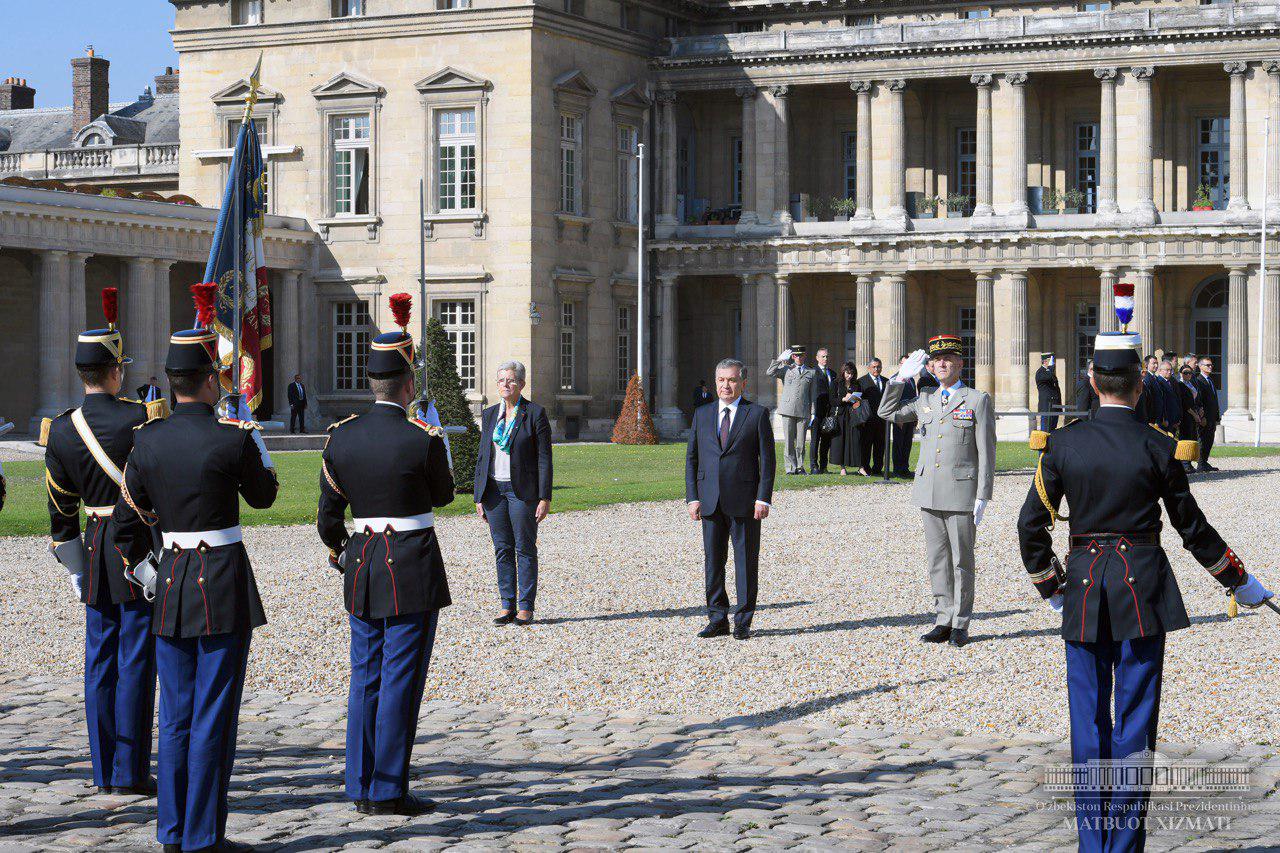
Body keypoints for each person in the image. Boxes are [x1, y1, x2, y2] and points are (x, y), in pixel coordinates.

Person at [1016, 328, 1274, 853]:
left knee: (1088, 729)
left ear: (1092, 381)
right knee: (1135, 728)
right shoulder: (1158, 444)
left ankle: (1094, 847)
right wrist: (1239, 581)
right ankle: (1124, 847)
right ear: (1138, 386)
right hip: (1142, 590)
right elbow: (1192, 529)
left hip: (1085, 589)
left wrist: (1052, 587)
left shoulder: (1062, 444)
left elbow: (1030, 526)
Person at [114, 318, 279, 853]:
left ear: (170, 382)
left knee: (177, 714)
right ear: (210, 380)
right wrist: (255, 439)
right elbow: (264, 498)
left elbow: (125, 526)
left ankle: (173, 831)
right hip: (222, 579)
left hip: (172, 577)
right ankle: (204, 835)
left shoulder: (147, 440)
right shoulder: (232, 437)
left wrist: (150, 577)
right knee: (213, 712)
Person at [317, 296, 456, 817]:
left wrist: (339, 552)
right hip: (411, 559)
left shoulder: (341, 437)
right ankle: (388, 787)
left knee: (366, 675)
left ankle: (359, 781)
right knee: (400, 677)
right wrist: (433, 433)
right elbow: (443, 494)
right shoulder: (420, 436)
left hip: (362, 559)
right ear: (409, 383)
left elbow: (328, 515)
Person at [44, 288, 157, 796]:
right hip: (135, 545)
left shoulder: (62, 430)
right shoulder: (141, 419)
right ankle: (131, 771)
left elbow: (60, 511)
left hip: (93, 545)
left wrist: (72, 565)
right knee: (136, 657)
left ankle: (103, 769)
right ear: (114, 371)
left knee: (99, 660)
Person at [880, 335, 996, 648]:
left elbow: (986, 450)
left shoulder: (976, 399)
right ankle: (943, 617)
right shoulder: (926, 398)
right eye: (937, 360)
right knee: (937, 560)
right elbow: (887, 413)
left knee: (961, 560)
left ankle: (961, 622)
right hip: (928, 491)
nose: (942, 364)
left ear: (960, 363)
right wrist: (900, 378)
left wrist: (983, 493)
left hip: (961, 491)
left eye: (948, 358)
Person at [686, 358, 775, 640]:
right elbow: (692, 458)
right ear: (716, 382)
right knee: (713, 561)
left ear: (743, 383)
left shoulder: (757, 414)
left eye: (732, 380)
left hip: (745, 500)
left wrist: (763, 499)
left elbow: (767, 461)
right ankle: (716, 617)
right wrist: (692, 497)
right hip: (710, 500)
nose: (726, 385)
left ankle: (743, 621)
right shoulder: (702, 414)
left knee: (745, 562)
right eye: (721, 380)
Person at [474, 361, 553, 626]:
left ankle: (525, 606)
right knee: (502, 548)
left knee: (525, 548)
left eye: (510, 380)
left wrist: (544, 497)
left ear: (521, 384)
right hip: (494, 491)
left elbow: (544, 458)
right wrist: (479, 495)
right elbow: (483, 455)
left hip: (522, 492)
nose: (505, 385)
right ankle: (506, 603)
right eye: (500, 380)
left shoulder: (534, 413)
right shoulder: (489, 414)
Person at [765, 346, 815, 475]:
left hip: (803, 410)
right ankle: (790, 468)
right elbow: (770, 372)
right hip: (787, 409)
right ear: (793, 357)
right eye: (796, 355)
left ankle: (800, 466)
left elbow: (813, 394)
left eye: (801, 355)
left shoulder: (811, 372)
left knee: (801, 442)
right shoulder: (787, 369)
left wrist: (813, 412)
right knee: (788, 441)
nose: (798, 357)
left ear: (805, 356)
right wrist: (778, 360)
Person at [889, 355, 936, 479]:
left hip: (910, 416)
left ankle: (905, 468)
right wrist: (897, 417)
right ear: (900, 364)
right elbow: (894, 400)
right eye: (904, 364)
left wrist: (915, 417)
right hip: (900, 416)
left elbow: (914, 399)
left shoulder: (911, 380)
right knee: (898, 444)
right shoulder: (896, 379)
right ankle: (897, 470)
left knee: (907, 443)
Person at [829, 362, 871, 476]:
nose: (850, 376)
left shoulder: (856, 384)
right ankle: (842, 467)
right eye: (848, 373)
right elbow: (832, 401)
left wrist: (855, 399)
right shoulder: (836, 383)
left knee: (856, 440)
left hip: (854, 415)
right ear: (843, 372)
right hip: (841, 415)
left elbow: (860, 399)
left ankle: (860, 467)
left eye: (852, 373)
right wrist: (843, 399)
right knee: (841, 441)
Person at [858, 357, 889, 476]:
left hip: (882, 420)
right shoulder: (861, 381)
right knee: (866, 445)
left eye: (879, 366)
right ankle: (864, 468)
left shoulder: (887, 381)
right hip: (867, 420)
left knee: (880, 446)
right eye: (874, 366)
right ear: (869, 368)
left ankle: (877, 469)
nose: (877, 369)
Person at [809, 348, 837, 474]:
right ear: (817, 358)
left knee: (826, 441)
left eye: (827, 356)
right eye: (823, 356)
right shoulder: (812, 372)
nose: (825, 359)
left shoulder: (832, 373)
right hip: (816, 411)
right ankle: (814, 465)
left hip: (828, 412)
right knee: (815, 440)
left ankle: (824, 466)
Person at [1176, 364, 1204, 474]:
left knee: (1192, 437)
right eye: (1185, 373)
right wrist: (1194, 414)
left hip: (1193, 413)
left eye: (1190, 373)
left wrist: (1199, 409)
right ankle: (1184, 463)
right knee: (1185, 437)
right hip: (1186, 414)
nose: (1188, 375)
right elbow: (1185, 403)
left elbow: (1195, 399)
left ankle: (1189, 462)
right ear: (1181, 373)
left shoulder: (1191, 384)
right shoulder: (1180, 384)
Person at [1195, 357, 1221, 472]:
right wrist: (1202, 417)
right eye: (1207, 365)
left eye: (1211, 365)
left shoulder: (1210, 380)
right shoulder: (1199, 380)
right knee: (1203, 440)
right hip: (1204, 417)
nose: (1210, 367)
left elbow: (1214, 400)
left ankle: (1204, 462)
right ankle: (1200, 463)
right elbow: (1199, 400)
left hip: (1212, 417)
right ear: (1201, 366)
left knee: (1209, 440)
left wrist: (1216, 416)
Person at [1035, 352, 1063, 431]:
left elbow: (1056, 389)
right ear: (1045, 361)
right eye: (1051, 360)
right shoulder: (1040, 372)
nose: (1053, 363)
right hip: (1046, 406)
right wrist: (1051, 368)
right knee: (1046, 429)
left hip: (1054, 405)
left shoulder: (1050, 372)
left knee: (1053, 429)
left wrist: (1059, 405)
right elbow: (1047, 377)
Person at [1156, 359, 1183, 434]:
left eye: (1171, 370)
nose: (1169, 372)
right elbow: (1161, 403)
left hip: (1174, 420)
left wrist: (1178, 418)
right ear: (1160, 370)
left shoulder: (1172, 382)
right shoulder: (1158, 382)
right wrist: (1164, 419)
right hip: (1165, 421)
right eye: (1167, 370)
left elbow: (1177, 400)